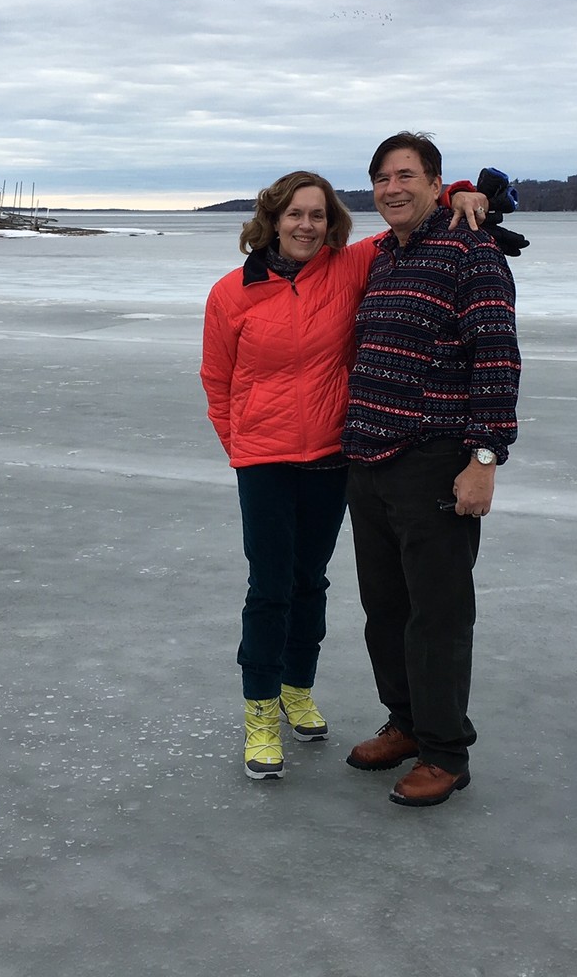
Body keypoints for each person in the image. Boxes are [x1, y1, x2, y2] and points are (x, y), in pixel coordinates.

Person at [201, 170, 491, 780]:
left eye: (318, 215)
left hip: (334, 457)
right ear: (272, 220)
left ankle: (297, 688)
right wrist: (244, 443)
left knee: (311, 583)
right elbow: (217, 381)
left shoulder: (351, 266)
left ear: (331, 224)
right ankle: (260, 712)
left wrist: (459, 191)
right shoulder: (232, 293)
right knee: (270, 586)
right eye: (294, 215)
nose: (306, 225)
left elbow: (408, 216)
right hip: (265, 462)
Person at [341, 132, 521, 807]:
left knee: (438, 614)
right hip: (368, 458)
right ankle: (407, 724)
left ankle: (446, 751)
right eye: (382, 177)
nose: (392, 188)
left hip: (436, 461)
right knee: (384, 610)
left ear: (435, 182)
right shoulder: (383, 256)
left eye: (406, 175)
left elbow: (497, 359)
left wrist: (484, 459)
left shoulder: (472, 252)